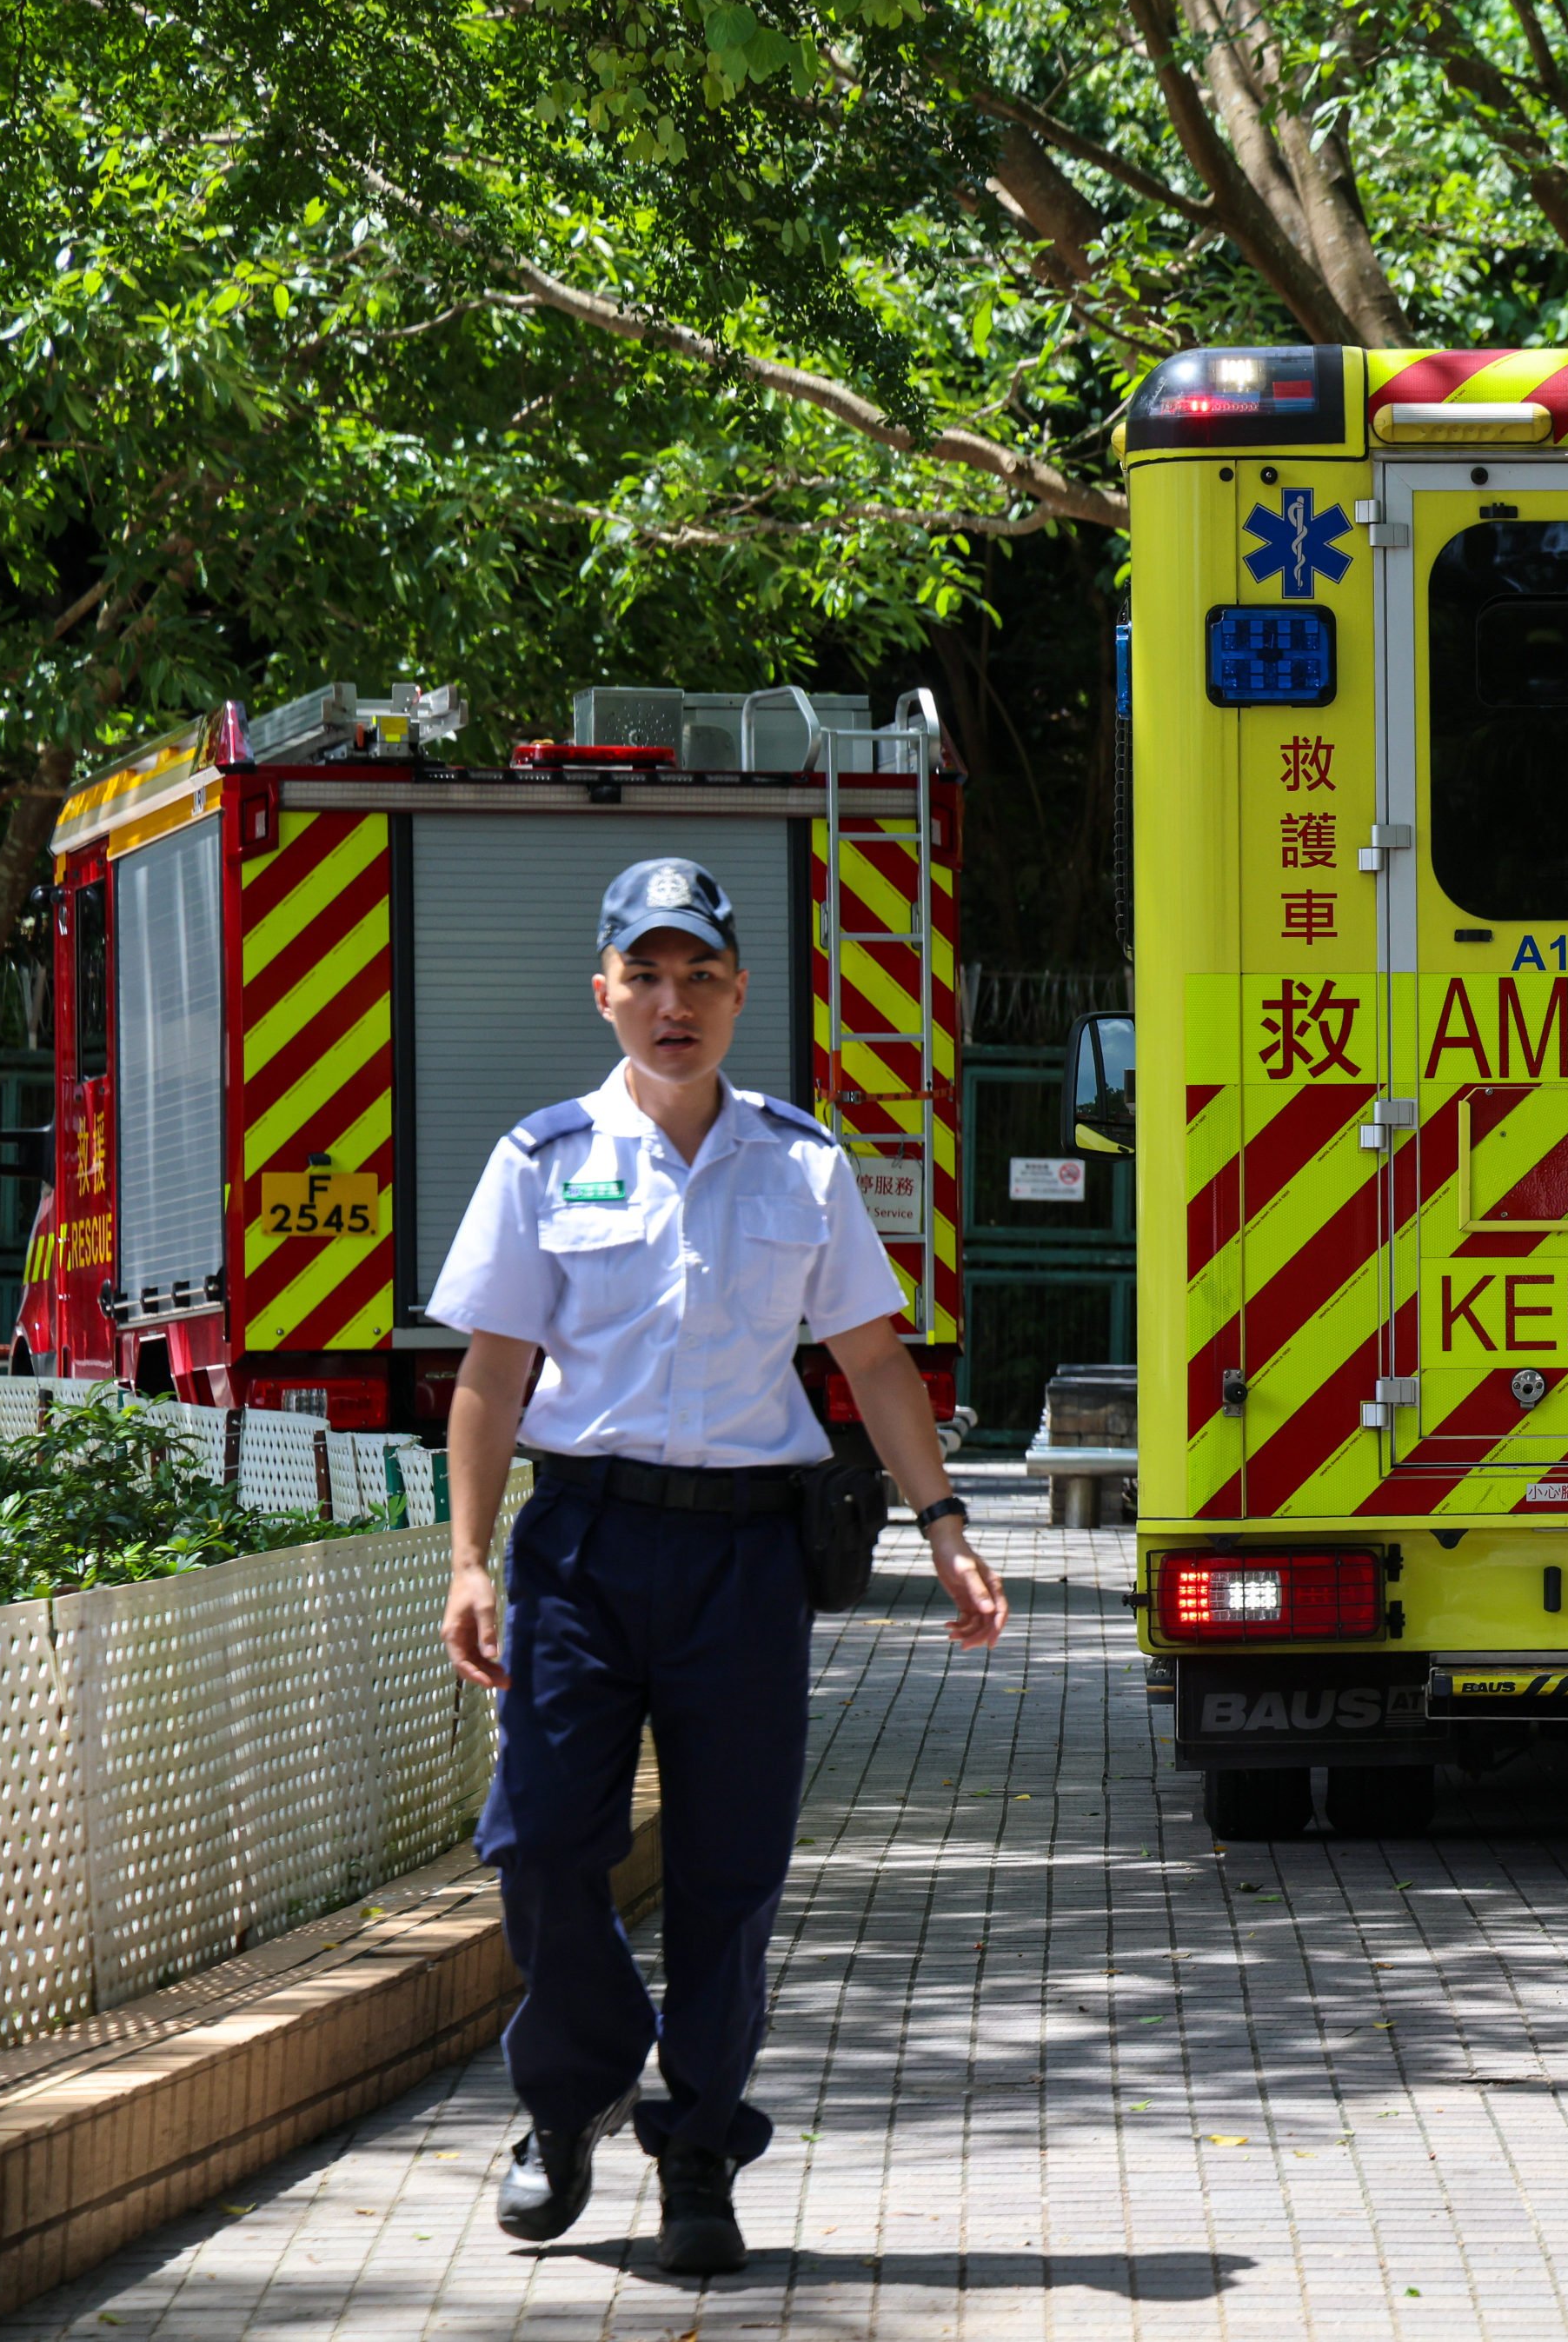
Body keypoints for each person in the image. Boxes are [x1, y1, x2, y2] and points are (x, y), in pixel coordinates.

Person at [432, 856, 1009, 2274]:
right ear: (606, 992)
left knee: (732, 1869)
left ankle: (700, 2150)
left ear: (740, 993)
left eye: (701, 976)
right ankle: (568, 2100)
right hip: (581, 1544)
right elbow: (493, 1380)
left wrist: (947, 1529)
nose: (672, 1002)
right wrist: (469, 1558)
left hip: (746, 1558)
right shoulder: (543, 1158)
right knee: (540, 1840)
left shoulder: (801, 1163)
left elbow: (872, 1361)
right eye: (647, 974)